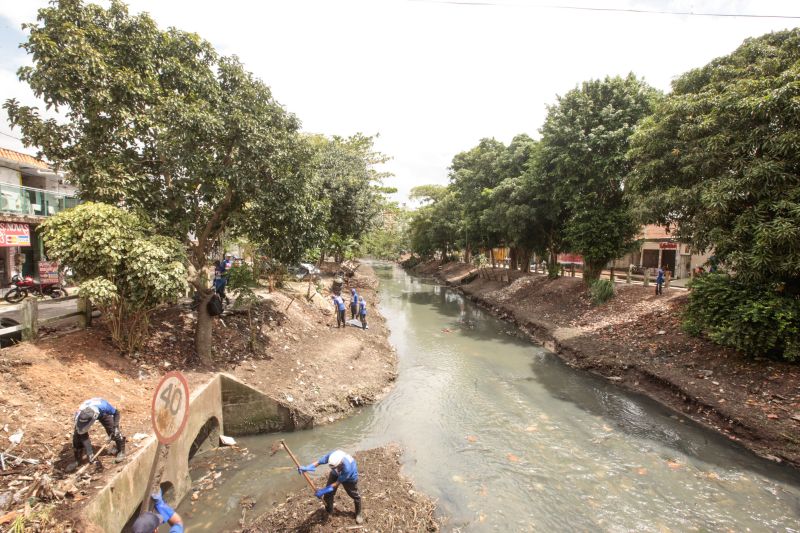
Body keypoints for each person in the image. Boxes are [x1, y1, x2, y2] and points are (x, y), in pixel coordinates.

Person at [298, 449, 363, 524]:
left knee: (355, 495)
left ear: (341, 463)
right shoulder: (332, 456)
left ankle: (358, 513)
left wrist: (323, 490)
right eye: (334, 467)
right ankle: (329, 511)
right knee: (328, 495)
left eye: (338, 467)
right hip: (335, 474)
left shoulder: (347, 468)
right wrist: (308, 467)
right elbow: (319, 462)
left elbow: (336, 483)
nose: (337, 469)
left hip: (350, 478)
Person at [68, 398, 125, 472]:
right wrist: (90, 452)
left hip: (102, 414)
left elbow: (116, 413)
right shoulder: (78, 415)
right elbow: (83, 435)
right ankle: (77, 460)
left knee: (114, 432)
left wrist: (116, 426)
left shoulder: (104, 406)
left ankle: (121, 451)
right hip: (88, 414)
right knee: (77, 437)